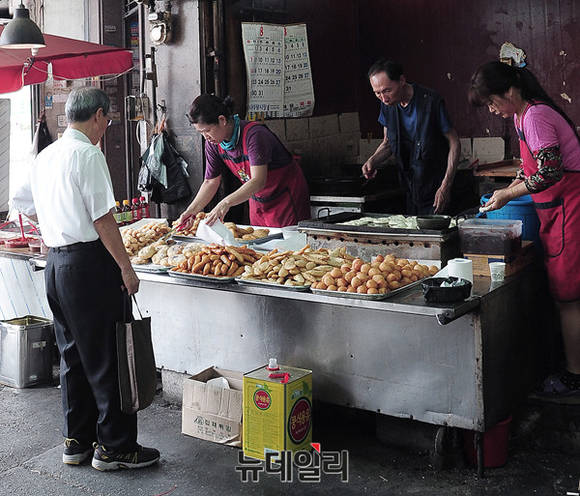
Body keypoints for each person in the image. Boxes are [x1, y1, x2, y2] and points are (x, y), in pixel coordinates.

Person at [11, 88, 160, 469]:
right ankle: (115, 447)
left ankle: (76, 441)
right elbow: (102, 218)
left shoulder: (46, 156)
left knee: (73, 356)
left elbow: (23, 204)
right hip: (89, 265)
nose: (106, 128)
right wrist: (127, 268)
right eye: (107, 121)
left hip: (56, 266)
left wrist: (57, 226)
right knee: (108, 356)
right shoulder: (87, 154)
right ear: (97, 116)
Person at [469, 61, 580, 402]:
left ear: (510, 92)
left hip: (569, 209)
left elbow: (549, 171)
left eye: (492, 102)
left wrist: (506, 193)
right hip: (554, 213)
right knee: (564, 294)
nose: (492, 109)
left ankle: (575, 376)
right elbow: (530, 168)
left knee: (569, 296)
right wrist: (514, 184)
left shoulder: (534, 115)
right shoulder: (521, 117)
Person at [177, 94, 310, 228]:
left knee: (289, 244)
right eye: (201, 133)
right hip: (256, 198)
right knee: (259, 241)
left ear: (222, 120)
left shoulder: (254, 135)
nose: (206, 137)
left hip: (285, 196)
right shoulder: (213, 143)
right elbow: (211, 181)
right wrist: (191, 211)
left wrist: (225, 203)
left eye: (207, 131)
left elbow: (258, 181)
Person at [362, 59, 461, 215]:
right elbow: (388, 143)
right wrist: (372, 161)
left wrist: (445, 186)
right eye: (377, 93)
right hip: (409, 187)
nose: (383, 98)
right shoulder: (386, 105)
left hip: (436, 186)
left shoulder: (430, 101)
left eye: (387, 90)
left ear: (402, 80)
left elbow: (454, 142)